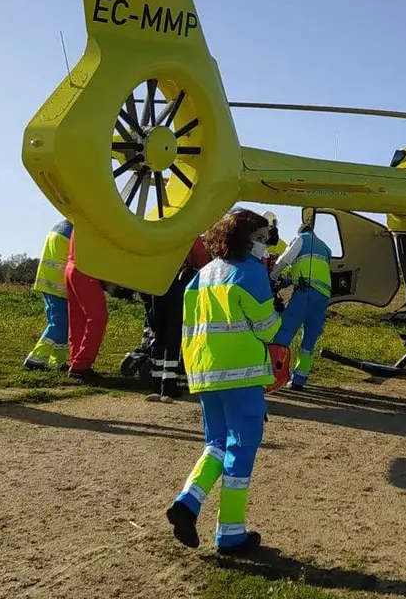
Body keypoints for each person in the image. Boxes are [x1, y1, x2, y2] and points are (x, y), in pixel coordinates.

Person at [166, 208, 284, 554]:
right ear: (243, 238)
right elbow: (268, 330)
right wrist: (284, 311)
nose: (263, 246)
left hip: (206, 374)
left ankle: (187, 502)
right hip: (242, 374)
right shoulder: (251, 272)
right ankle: (230, 533)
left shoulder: (202, 275)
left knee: (216, 444)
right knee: (241, 451)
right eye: (259, 238)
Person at [145, 235, 213, 401]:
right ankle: (168, 386)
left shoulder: (155, 233)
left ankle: (155, 383)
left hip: (155, 285)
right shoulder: (188, 234)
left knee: (158, 334)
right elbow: (202, 262)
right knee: (173, 336)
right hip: (177, 288)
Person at [268, 217, 332, 389]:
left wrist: (272, 277)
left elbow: (285, 260)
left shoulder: (301, 239)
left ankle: (275, 376)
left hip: (306, 292)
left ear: (301, 231)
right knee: (309, 339)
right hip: (323, 296)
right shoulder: (326, 248)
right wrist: (289, 281)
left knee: (284, 331)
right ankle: (299, 380)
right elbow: (311, 270)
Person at [23, 219, 73, 370]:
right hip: (58, 285)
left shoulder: (61, 227)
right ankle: (35, 358)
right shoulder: (73, 231)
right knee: (59, 323)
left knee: (62, 323)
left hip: (48, 282)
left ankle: (57, 361)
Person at [64, 227, 108, 382]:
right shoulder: (99, 218)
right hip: (85, 269)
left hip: (72, 267)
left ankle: (75, 361)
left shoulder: (82, 217)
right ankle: (81, 365)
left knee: (78, 319)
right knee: (97, 318)